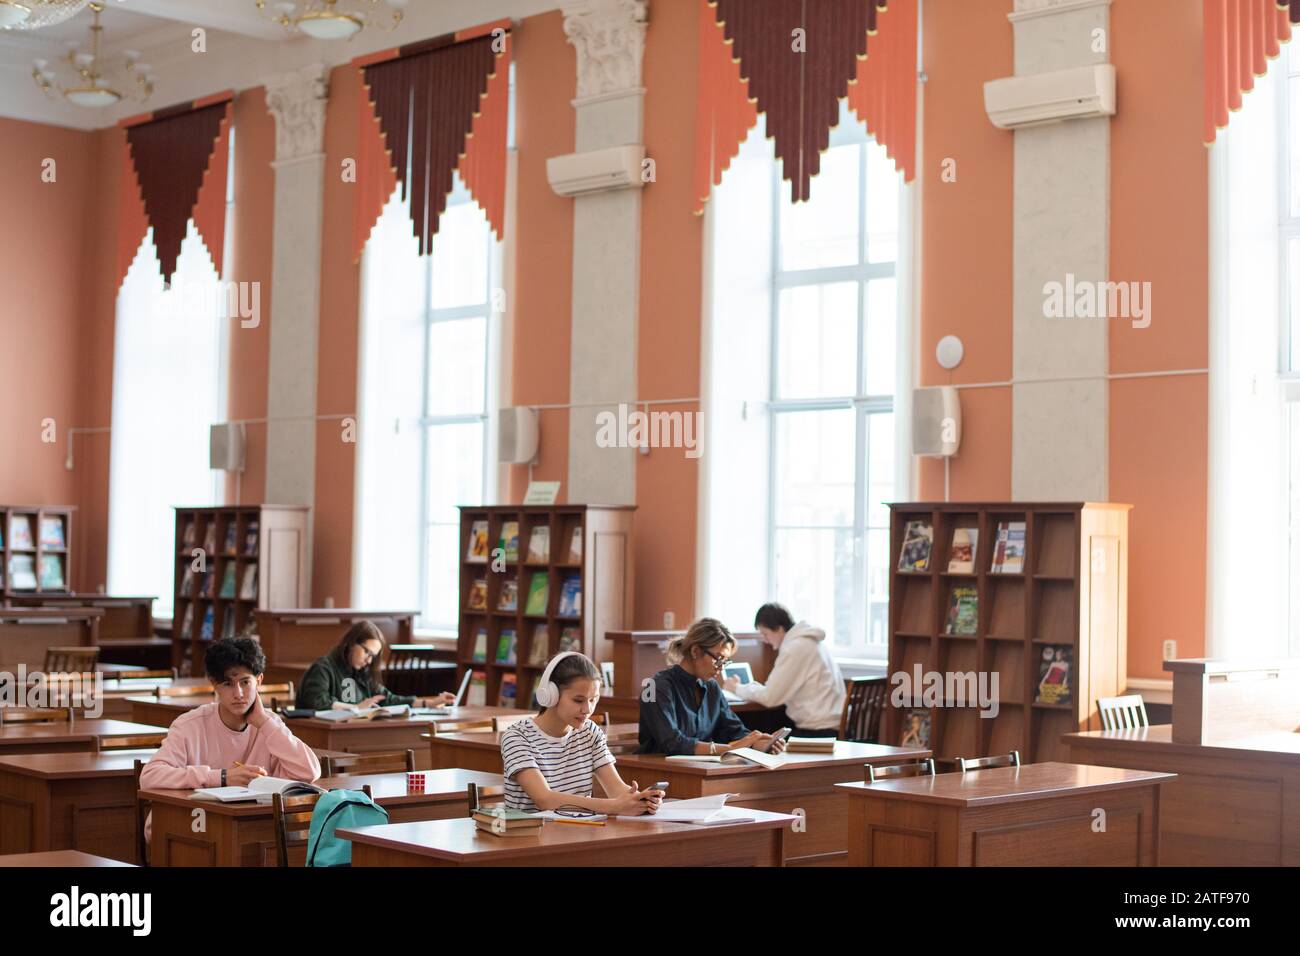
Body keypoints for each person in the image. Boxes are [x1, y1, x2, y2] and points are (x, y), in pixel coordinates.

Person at [139, 637, 321, 841]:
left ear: (259, 680)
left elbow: (310, 772)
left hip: (243, 827)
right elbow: (149, 777)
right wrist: (222, 777)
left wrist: (264, 722)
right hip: (187, 826)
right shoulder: (189, 725)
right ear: (214, 684)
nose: (238, 693)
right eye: (228, 684)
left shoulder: (268, 725)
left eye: (245, 682)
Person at [500, 651, 663, 815]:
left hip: (581, 828)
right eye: (578, 700)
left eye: (593, 700)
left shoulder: (590, 732)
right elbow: (544, 799)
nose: (587, 709)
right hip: (531, 830)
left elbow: (616, 789)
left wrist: (640, 800)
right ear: (550, 694)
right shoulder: (517, 737)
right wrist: (614, 806)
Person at [638, 617, 787, 756]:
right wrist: (729, 749)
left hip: (698, 768)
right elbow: (672, 742)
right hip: (658, 769)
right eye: (718, 659)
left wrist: (759, 743)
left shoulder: (712, 687)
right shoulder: (654, 686)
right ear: (695, 651)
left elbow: (734, 730)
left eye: (725, 662)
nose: (721, 668)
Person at [721, 603, 846, 738]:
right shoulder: (812, 642)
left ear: (779, 629)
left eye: (765, 634)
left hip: (818, 732)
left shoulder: (795, 648)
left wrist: (736, 688)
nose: (765, 640)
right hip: (833, 726)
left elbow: (770, 698)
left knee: (761, 737)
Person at [296, 620, 455, 711]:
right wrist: (356, 708)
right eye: (367, 652)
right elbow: (316, 702)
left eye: (373, 656)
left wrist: (430, 703)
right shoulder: (323, 668)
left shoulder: (362, 673)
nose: (369, 661)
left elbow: (388, 699)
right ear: (351, 643)